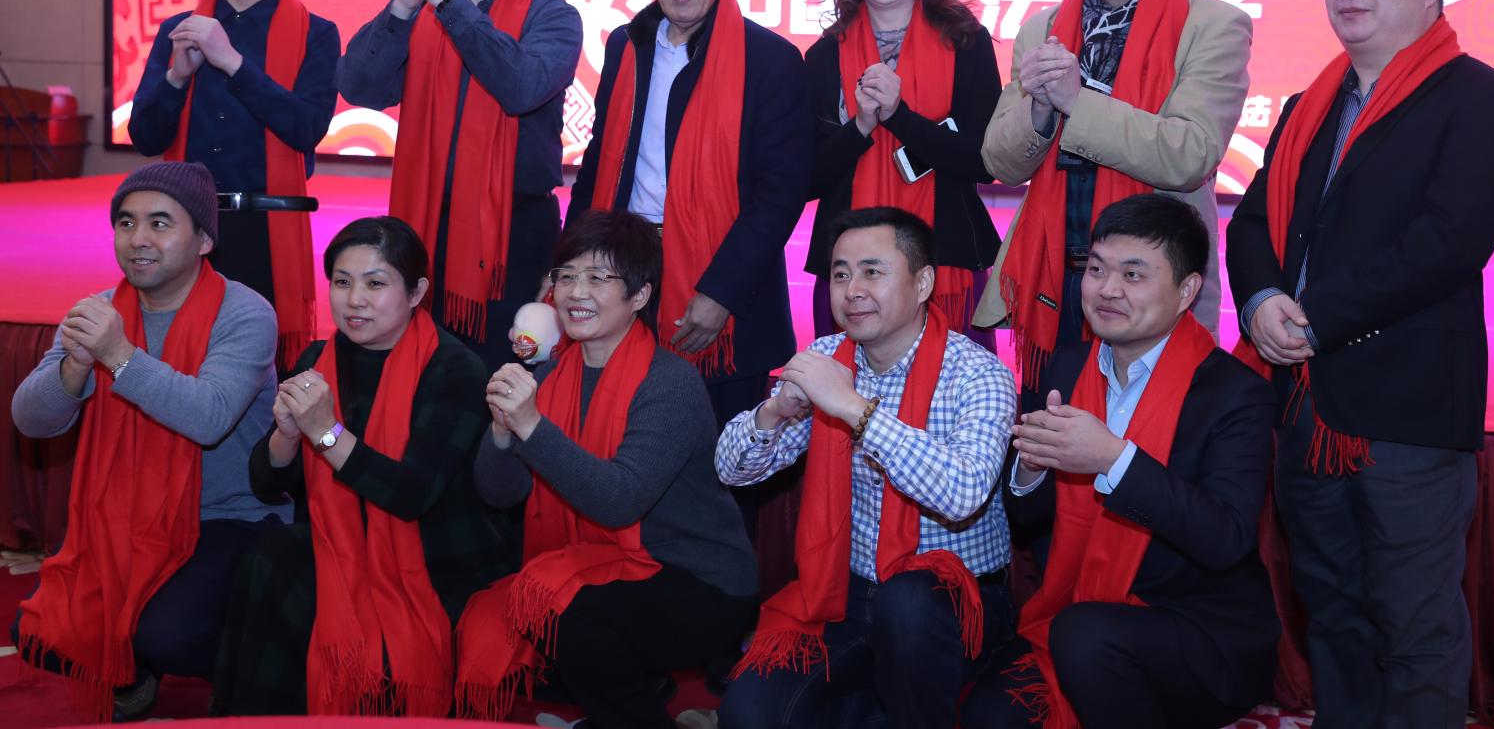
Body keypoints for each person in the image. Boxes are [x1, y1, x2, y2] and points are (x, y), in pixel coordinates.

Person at [1226, 0, 1494, 728]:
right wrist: (1260, 299)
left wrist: (1313, 316)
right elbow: (1252, 223)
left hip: (1407, 412)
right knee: (1334, 617)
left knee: (1416, 626)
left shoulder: (1488, 100)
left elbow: (1446, 243)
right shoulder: (1308, 105)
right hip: (1307, 406)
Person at [961, 194, 1278, 729]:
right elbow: (1031, 523)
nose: (1107, 289)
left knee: (1084, 636)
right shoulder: (1068, 366)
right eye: (1096, 270)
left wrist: (1113, 457)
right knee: (988, 715)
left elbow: (1225, 538)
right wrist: (1031, 470)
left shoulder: (1233, 393)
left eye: (1133, 275)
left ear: (1186, 291)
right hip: (1080, 608)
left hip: (1201, 631)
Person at [455, 210, 758, 727]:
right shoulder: (553, 374)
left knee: (569, 618)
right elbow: (500, 493)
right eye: (566, 275)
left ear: (639, 296)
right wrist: (503, 432)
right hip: (609, 567)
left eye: (598, 278)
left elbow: (619, 501)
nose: (576, 292)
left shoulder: (670, 383)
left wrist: (531, 426)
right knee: (505, 616)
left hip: (701, 581)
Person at [716, 207, 1016, 729]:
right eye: (840, 274)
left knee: (907, 604)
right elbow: (732, 471)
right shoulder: (828, 357)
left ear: (923, 284)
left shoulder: (978, 374)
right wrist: (774, 412)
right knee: (749, 713)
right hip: (844, 594)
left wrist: (854, 409)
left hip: (956, 601)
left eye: (872, 272)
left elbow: (963, 493)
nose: (852, 290)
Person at [11, 161, 286, 720]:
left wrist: (118, 355)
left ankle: (248, 672)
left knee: (170, 634)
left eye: (160, 223)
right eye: (126, 222)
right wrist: (74, 368)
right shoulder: (101, 311)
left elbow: (208, 417)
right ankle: (134, 674)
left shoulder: (245, 313)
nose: (138, 238)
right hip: (126, 514)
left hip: (228, 514)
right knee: (39, 632)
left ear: (204, 240)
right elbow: (30, 419)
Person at [211, 216, 518, 716]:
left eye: (375, 284)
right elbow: (266, 483)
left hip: (432, 553)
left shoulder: (454, 368)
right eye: (342, 282)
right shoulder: (318, 359)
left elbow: (410, 495)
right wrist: (288, 434)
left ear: (416, 293)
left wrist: (325, 432)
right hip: (343, 538)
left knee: (295, 580)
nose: (354, 300)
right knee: (269, 560)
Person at [975, 0, 1251, 390]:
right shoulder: (1043, 30)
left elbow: (1190, 153)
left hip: (1154, 286)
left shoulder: (1212, 26)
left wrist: (1076, 102)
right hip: (1055, 278)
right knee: (1050, 427)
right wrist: (1040, 108)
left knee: (1147, 437)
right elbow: (1000, 163)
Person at [567, 0, 811, 431]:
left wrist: (722, 291)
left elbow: (780, 193)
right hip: (625, 270)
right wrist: (567, 267)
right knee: (619, 435)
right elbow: (598, 163)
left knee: (720, 454)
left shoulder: (769, 60)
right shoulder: (627, 46)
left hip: (722, 285)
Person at [337, 0, 582, 367]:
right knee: (419, 377)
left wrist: (447, 2)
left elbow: (519, 86)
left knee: (504, 380)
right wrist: (403, 6)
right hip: (422, 227)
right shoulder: (421, 15)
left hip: (510, 241)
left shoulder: (553, 17)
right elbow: (360, 87)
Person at [128, 0, 339, 366]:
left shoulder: (316, 34)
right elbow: (146, 137)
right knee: (180, 362)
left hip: (267, 229)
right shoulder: (178, 30)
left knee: (267, 368)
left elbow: (306, 128)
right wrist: (177, 79)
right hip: (185, 225)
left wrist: (232, 63)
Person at [803, 0, 1001, 346]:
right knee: (845, 388)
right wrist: (861, 127)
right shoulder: (823, 56)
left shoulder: (967, 42)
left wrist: (900, 117)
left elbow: (984, 161)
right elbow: (807, 178)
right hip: (848, 273)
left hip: (946, 261)